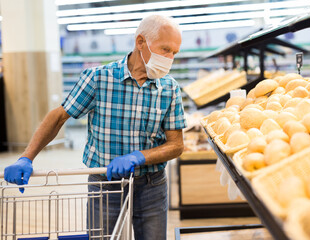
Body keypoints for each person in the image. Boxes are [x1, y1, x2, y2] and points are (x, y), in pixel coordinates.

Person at [4, 15, 186, 240]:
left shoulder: (170, 88)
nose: (169, 58)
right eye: (165, 49)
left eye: (174, 53)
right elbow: (59, 117)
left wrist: (139, 156)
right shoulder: (99, 79)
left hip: (152, 185)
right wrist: (27, 157)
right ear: (141, 42)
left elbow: (176, 145)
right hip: (104, 184)